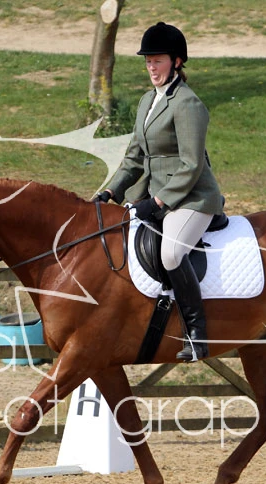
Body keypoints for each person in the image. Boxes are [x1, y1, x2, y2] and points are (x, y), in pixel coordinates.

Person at [94, 22, 224, 363]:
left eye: (158, 61)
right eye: (148, 61)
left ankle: (196, 335)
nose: (152, 67)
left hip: (192, 198)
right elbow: (134, 157)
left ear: (177, 62)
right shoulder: (147, 101)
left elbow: (192, 164)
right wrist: (110, 191)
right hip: (154, 195)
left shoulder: (187, 104)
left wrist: (159, 201)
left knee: (171, 254)